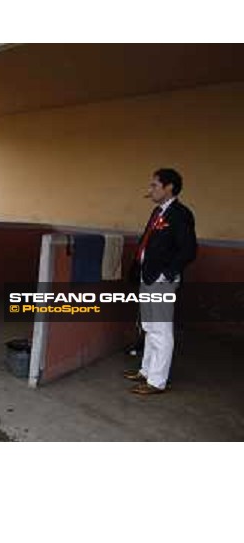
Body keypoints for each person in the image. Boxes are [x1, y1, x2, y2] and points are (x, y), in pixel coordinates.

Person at [125, 168, 197, 395]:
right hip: (148, 276)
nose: (150, 190)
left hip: (161, 280)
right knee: (149, 326)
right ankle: (146, 371)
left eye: (154, 185)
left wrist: (166, 274)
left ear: (169, 187)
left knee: (161, 330)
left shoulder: (181, 214)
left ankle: (157, 381)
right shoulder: (158, 212)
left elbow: (188, 250)